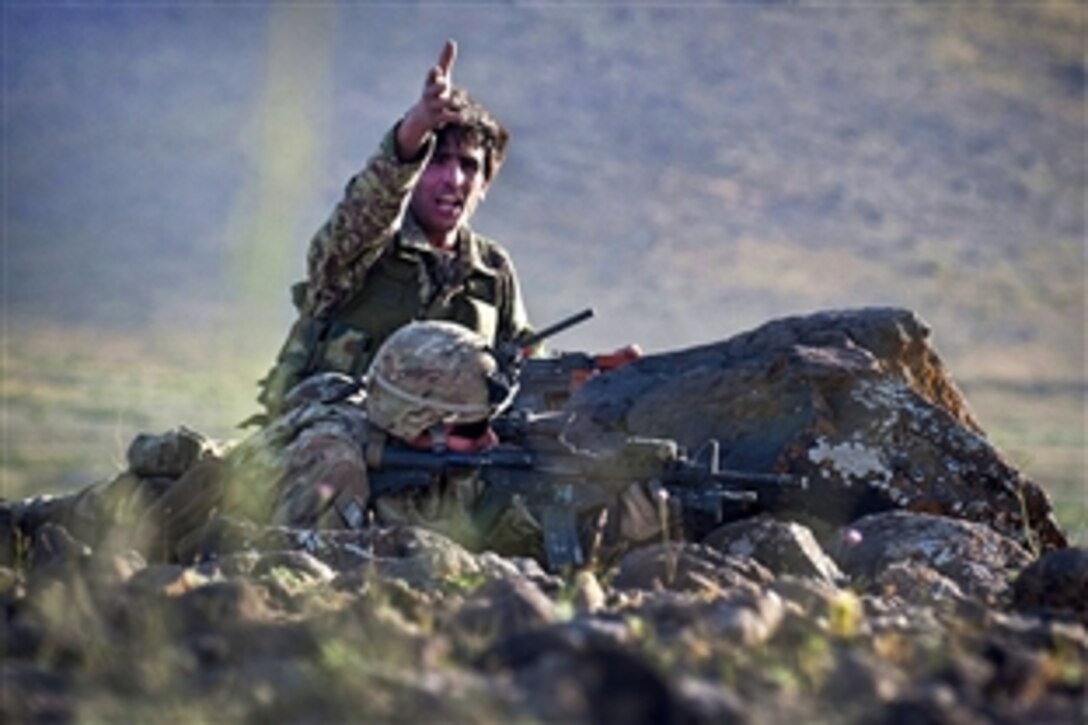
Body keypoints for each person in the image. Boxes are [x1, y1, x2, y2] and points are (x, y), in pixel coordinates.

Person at [256, 39, 534, 419]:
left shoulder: (492, 270)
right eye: (437, 160)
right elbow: (368, 207)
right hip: (330, 444)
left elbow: (525, 362)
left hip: (441, 454)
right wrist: (416, 127)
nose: (453, 179)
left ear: (484, 184)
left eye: (469, 166)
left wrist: (591, 376)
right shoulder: (364, 246)